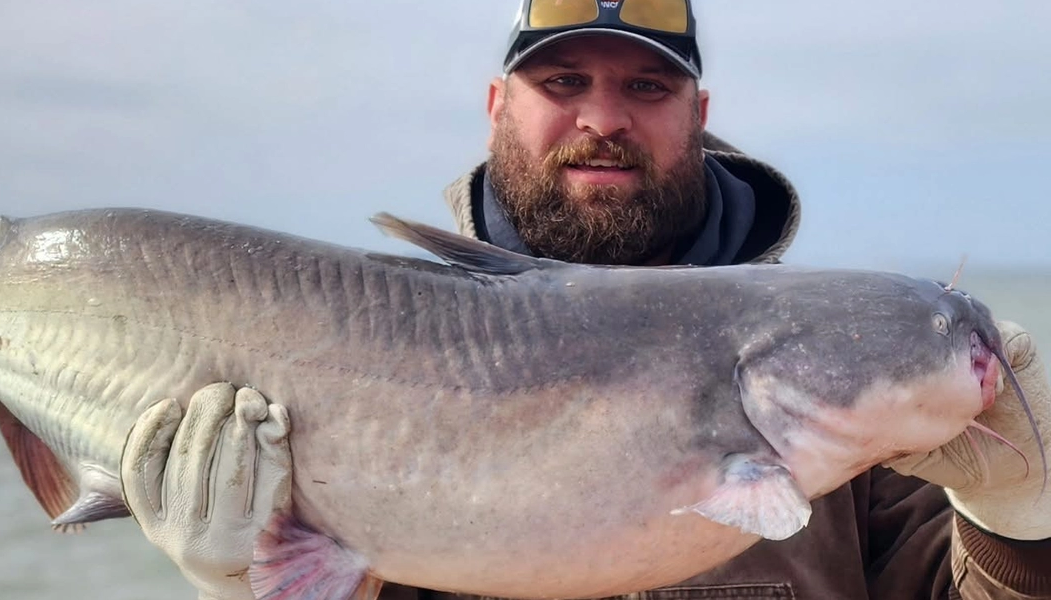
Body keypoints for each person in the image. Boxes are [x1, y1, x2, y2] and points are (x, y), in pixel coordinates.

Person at [119, 1, 1051, 598]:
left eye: (647, 87)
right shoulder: (345, 348)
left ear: (700, 113)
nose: (604, 120)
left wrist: (1023, 520)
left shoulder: (847, 376)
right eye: (564, 83)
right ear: (497, 105)